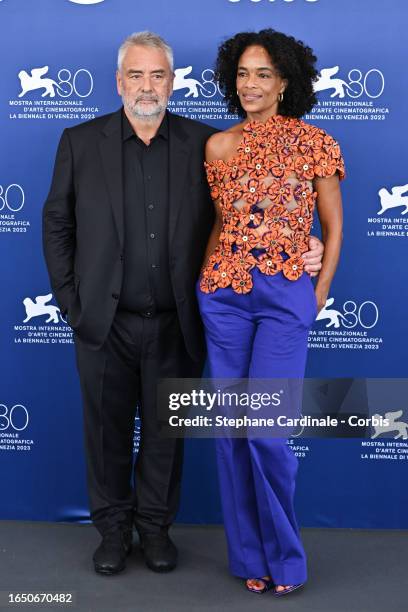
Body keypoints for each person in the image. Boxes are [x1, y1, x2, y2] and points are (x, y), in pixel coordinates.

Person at [42, 30, 325, 577]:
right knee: (105, 432)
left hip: (178, 321)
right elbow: (57, 224)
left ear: (173, 82)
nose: (147, 85)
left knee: (166, 435)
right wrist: (72, 303)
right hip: (103, 321)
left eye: (158, 75)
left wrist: (308, 242)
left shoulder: (206, 144)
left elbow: (249, 214)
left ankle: (154, 530)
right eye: (136, 74)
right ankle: (111, 531)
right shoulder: (79, 141)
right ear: (119, 80)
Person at [196, 29, 345, 597]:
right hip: (223, 296)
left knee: (266, 432)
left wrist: (319, 290)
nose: (251, 84)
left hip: (285, 298)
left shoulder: (315, 143)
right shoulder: (217, 146)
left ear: (285, 81)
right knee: (232, 434)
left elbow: (331, 230)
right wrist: (203, 285)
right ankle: (250, 556)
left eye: (263, 74)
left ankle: (287, 558)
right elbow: (220, 222)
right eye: (242, 74)